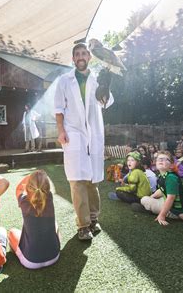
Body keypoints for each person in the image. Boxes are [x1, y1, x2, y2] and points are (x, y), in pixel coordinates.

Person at [54, 43, 113, 240]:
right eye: (77, 54)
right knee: (76, 180)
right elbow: (58, 109)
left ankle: (94, 219)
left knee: (92, 179)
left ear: (89, 57)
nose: (80, 57)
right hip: (73, 134)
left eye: (83, 54)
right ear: (73, 59)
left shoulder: (96, 79)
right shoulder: (64, 80)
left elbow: (105, 102)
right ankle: (83, 225)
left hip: (93, 134)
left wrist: (106, 85)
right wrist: (61, 130)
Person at [8, 170, 60, 269]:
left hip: (31, 262)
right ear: (47, 187)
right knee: (55, 224)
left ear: (28, 187)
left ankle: (21, 251)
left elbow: (19, 188)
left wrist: (30, 176)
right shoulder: (50, 197)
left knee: (11, 232)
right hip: (54, 257)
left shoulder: (23, 201)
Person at [133, 151, 183, 225]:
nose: (161, 160)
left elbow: (171, 198)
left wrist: (161, 215)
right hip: (176, 205)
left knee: (144, 200)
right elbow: (161, 190)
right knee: (148, 198)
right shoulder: (163, 175)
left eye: (165, 159)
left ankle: (161, 212)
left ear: (172, 165)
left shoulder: (170, 177)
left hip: (175, 210)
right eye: (159, 159)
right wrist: (151, 197)